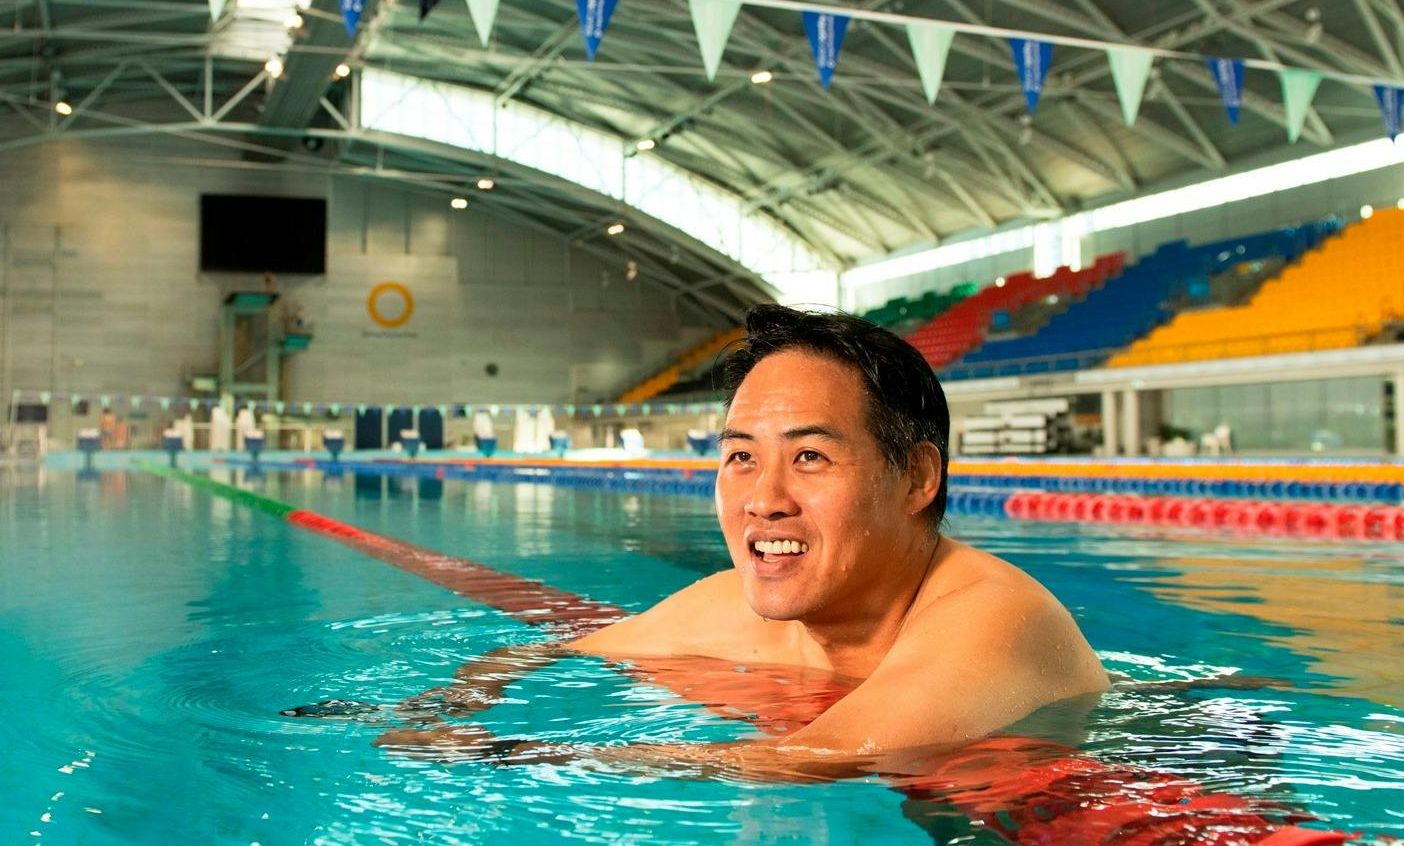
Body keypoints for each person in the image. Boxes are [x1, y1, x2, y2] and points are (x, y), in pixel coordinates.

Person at [377, 304, 1110, 777]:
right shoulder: (736, 609)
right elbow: (559, 646)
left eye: (811, 456)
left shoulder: (994, 616)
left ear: (917, 477)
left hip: (1139, 808)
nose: (765, 498)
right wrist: (457, 698)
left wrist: (515, 753)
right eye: (740, 456)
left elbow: (816, 756)